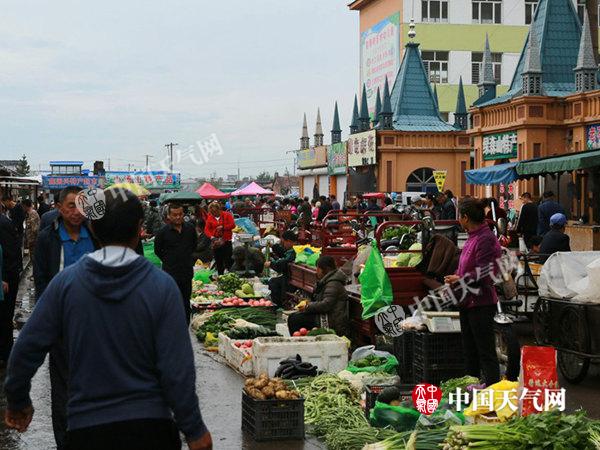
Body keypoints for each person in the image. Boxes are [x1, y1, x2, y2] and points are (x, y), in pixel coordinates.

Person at [4, 188, 212, 450]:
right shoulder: (162, 287)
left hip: (86, 430)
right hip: (152, 429)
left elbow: (26, 349)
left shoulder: (65, 285)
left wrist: (18, 400)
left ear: (93, 226)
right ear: (139, 229)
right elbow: (177, 369)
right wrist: (193, 428)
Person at [32, 186, 98, 450]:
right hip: (61, 325)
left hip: (93, 325)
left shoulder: (94, 236)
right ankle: (65, 442)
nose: (75, 211)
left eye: (80, 206)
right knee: (62, 389)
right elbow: (41, 281)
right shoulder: (48, 239)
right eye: (70, 206)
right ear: (58, 207)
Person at [444, 198, 501, 386]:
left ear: (466, 217)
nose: (459, 220)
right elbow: (467, 267)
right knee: (469, 350)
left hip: (481, 303)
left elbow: (486, 273)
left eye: (460, 217)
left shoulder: (485, 239)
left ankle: (492, 390)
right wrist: (456, 277)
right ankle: (471, 387)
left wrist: (460, 279)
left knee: (485, 351)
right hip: (467, 302)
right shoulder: (473, 237)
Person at [154, 203, 197, 323]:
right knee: (171, 301)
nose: (178, 217)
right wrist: (169, 260)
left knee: (185, 300)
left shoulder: (190, 229)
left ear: (183, 214)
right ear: (169, 216)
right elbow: (157, 250)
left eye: (180, 214)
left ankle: (185, 326)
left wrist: (188, 260)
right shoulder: (162, 232)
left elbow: (194, 246)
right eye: (174, 215)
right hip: (170, 273)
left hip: (186, 272)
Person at [288, 256, 349, 337]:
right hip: (325, 314)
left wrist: (308, 306)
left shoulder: (333, 283)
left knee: (295, 320)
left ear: (324, 269)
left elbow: (326, 305)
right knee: (294, 317)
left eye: (318, 269)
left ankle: (299, 342)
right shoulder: (328, 280)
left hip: (331, 319)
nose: (316, 272)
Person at [0, 206, 22, 367]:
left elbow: (10, 253)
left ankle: (6, 354)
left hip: (6, 280)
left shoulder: (3, 223)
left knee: (4, 317)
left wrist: (5, 278)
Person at [266, 231, 298, 306]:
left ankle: (280, 304)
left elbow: (284, 262)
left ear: (289, 241)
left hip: (289, 277)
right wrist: (273, 246)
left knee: (274, 282)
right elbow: (283, 253)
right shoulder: (291, 249)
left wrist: (271, 264)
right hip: (288, 275)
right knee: (273, 281)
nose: (282, 245)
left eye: (283, 242)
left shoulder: (294, 250)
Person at [204, 201, 235, 275]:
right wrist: (211, 237)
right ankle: (220, 275)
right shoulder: (210, 217)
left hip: (226, 240)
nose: (213, 213)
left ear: (219, 209)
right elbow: (207, 229)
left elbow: (233, 225)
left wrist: (223, 227)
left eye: (215, 211)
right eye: (212, 212)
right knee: (218, 260)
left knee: (228, 259)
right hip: (216, 242)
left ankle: (230, 274)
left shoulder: (227, 215)